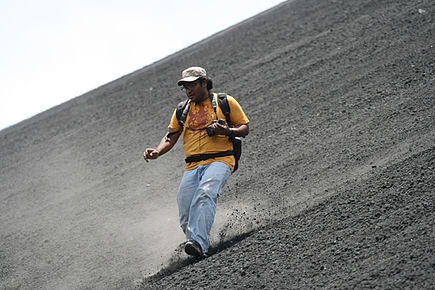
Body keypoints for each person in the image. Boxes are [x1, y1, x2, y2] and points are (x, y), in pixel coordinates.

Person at [144, 66, 249, 257]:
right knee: (185, 207)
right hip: (192, 165)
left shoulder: (224, 102)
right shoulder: (182, 109)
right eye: (185, 86)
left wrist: (227, 131)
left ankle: (200, 244)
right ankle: (196, 243)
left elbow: (244, 128)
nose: (188, 90)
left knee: (206, 193)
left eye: (192, 85)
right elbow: (171, 136)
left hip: (221, 159)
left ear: (204, 83)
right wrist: (157, 151)